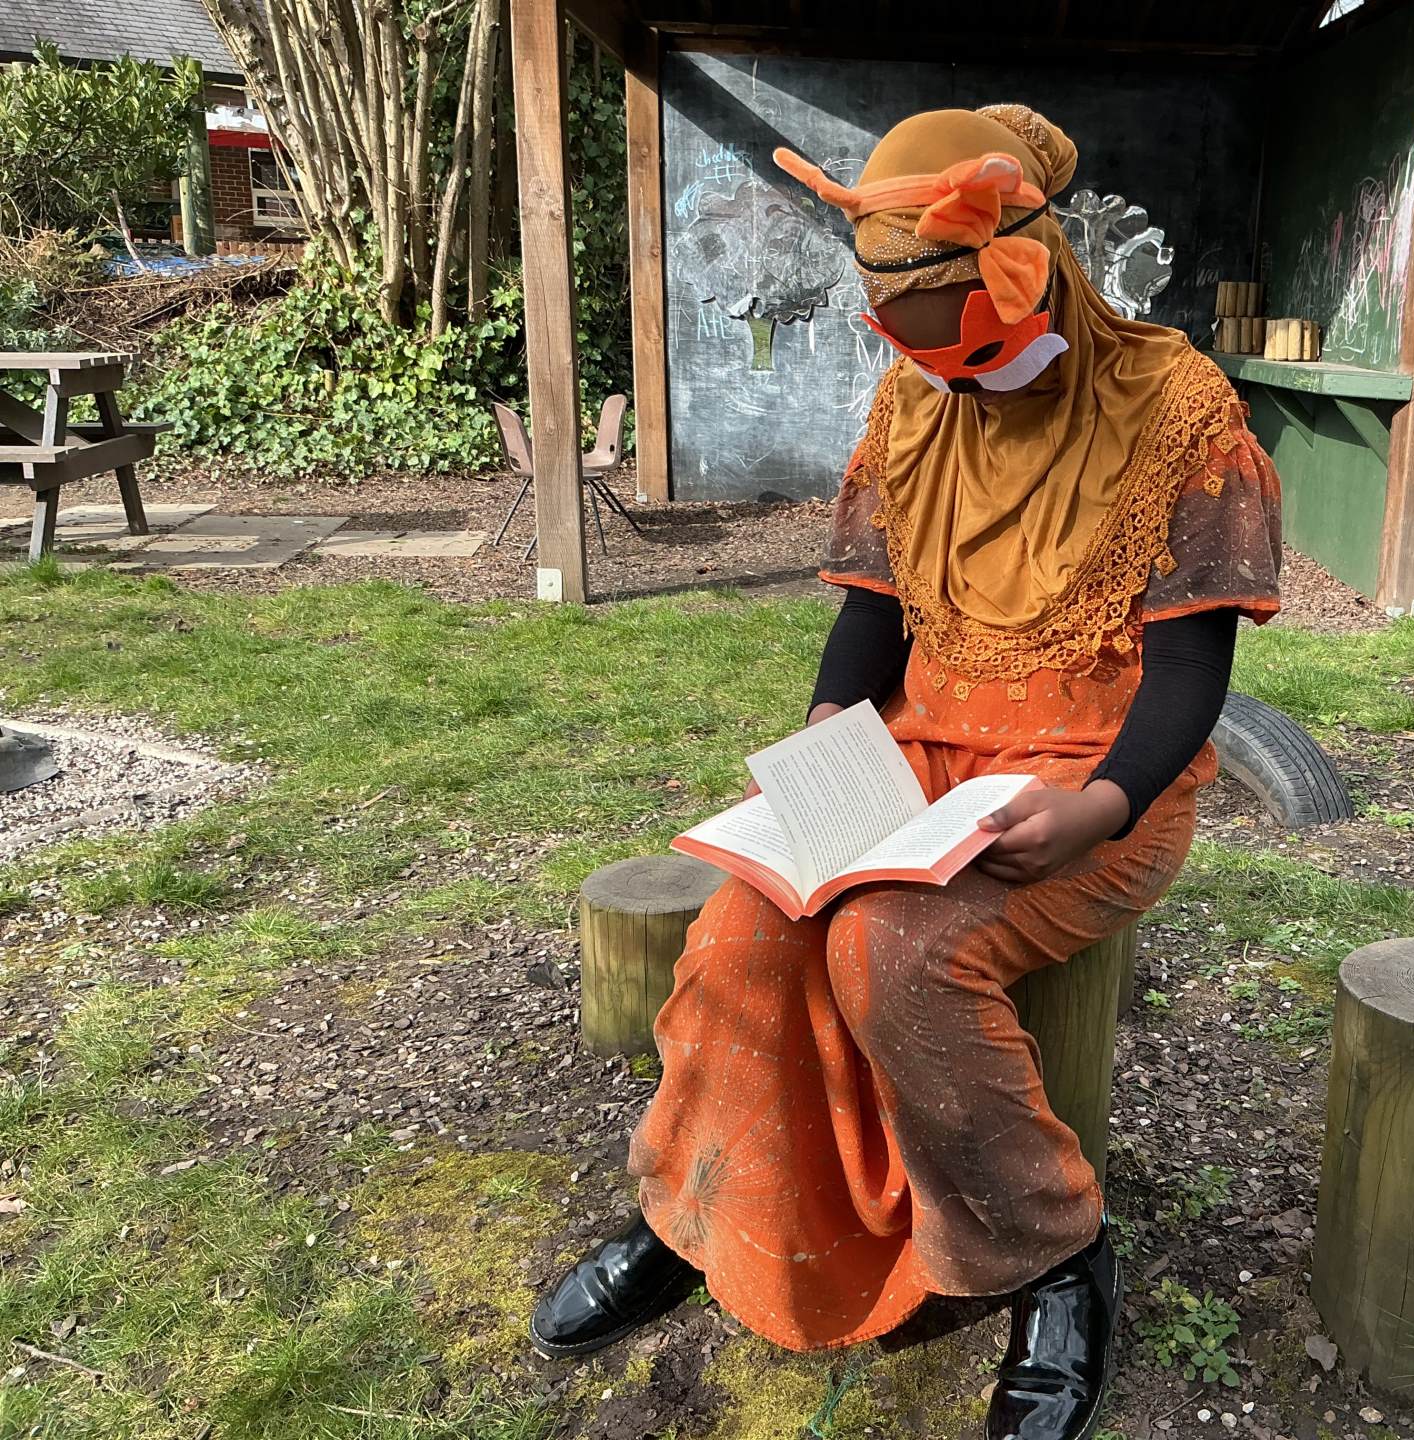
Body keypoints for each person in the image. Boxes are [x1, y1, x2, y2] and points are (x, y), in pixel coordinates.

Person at [530, 104, 1284, 1440]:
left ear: (1036, 269)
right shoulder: (915, 408)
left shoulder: (1180, 415)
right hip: (918, 755)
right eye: (925, 357)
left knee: (892, 951)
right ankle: (694, 1215)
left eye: (979, 353)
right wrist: (829, 738)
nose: (960, 387)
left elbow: (1188, 671)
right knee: (743, 932)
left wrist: (1100, 807)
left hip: (1094, 779)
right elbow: (873, 616)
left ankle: (1055, 1258)